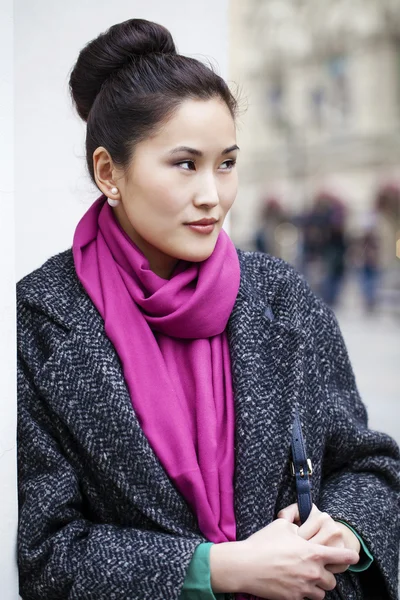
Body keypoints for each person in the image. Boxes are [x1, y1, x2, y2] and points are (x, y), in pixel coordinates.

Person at [17, 18, 400, 600]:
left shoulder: (279, 295)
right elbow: (48, 553)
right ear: (108, 173)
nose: (212, 195)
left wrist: (346, 532)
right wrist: (217, 568)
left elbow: (369, 466)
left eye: (226, 163)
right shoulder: (42, 319)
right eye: (184, 164)